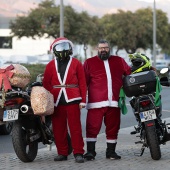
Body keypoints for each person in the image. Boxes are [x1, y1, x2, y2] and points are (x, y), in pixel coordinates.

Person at [83, 39, 131, 161]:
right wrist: (82, 99)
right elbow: (83, 82)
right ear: (97, 49)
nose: (103, 50)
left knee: (113, 127)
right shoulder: (89, 63)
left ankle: (111, 152)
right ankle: (90, 152)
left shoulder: (119, 61)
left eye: (106, 48)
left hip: (114, 102)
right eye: (101, 48)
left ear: (109, 49)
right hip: (96, 102)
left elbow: (129, 73)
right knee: (92, 127)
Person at [43, 37, 86, 163]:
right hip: (56, 100)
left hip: (73, 98)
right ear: (54, 50)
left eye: (65, 47)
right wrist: (49, 100)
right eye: (60, 47)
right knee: (58, 129)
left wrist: (83, 100)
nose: (63, 50)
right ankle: (62, 152)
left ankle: (78, 152)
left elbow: (82, 83)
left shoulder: (77, 63)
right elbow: (46, 83)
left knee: (75, 127)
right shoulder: (50, 65)